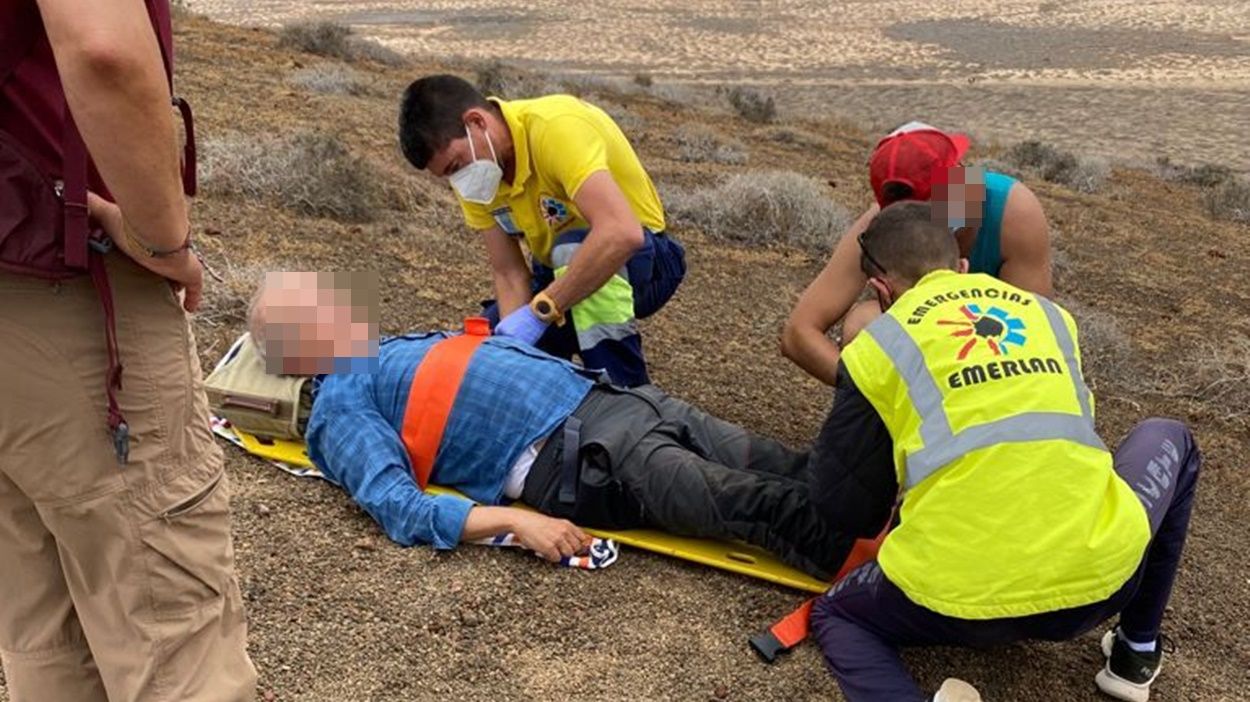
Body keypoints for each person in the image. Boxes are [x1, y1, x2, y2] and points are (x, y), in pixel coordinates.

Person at [805, 202, 1199, 702]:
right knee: (1171, 437)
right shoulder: (1051, 317)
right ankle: (1135, 652)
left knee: (838, 615)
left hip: (953, 603)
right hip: (1099, 583)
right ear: (963, 267)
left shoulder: (878, 344)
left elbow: (845, 508)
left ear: (881, 291)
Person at [247, 273, 850, 580]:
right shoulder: (340, 406)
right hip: (581, 458)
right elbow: (399, 507)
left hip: (617, 402)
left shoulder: (389, 346)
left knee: (786, 464)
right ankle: (886, 573)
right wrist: (516, 521)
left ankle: (903, 521)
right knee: (755, 503)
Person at [0, 0, 256, 699]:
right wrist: (164, 240)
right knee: (175, 636)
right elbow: (103, 50)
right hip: (65, 294)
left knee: (45, 622)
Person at [397, 74, 686, 388]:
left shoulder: (555, 127)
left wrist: (541, 311)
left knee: (571, 249)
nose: (460, 181)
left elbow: (621, 233)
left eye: (456, 165)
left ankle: (628, 398)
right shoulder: (482, 180)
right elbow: (509, 273)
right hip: (555, 273)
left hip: (646, 261)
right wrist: (515, 348)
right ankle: (554, 410)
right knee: (488, 351)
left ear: (477, 122)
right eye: (448, 176)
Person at [782, 121, 1053, 385]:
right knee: (865, 326)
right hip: (922, 357)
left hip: (992, 354)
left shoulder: (1012, 211)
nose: (965, 183)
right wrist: (863, 392)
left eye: (960, 174)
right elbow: (799, 333)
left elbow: (1035, 335)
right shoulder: (885, 228)